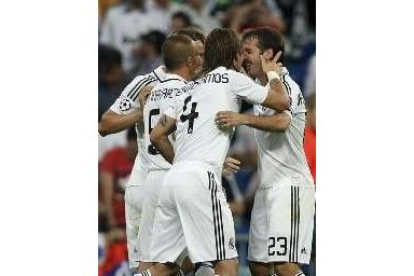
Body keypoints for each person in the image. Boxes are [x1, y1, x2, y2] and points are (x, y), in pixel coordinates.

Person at [143, 27, 289, 276]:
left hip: (174, 178)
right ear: (234, 56)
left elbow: (157, 135)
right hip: (201, 179)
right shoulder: (230, 78)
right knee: (227, 264)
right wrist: (273, 74)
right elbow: (282, 102)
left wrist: (187, 162)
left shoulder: (189, 86)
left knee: (162, 269)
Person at [98, 27, 210, 274]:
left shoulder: (198, 87)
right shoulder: (145, 82)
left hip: (165, 182)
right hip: (150, 180)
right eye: (197, 54)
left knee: (182, 262)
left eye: (203, 54)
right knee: (185, 261)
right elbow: (105, 124)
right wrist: (142, 111)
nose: (201, 61)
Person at [215, 27, 315, 276]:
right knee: (259, 266)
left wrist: (242, 119)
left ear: (268, 54)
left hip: (289, 187)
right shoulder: (261, 91)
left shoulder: (286, 86)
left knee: (284, 265)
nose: (244, 56)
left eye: (249, 51)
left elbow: (283, 122)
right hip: (266, 188)